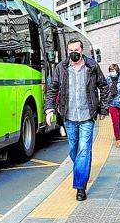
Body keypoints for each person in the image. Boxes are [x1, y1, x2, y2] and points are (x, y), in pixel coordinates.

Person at [44, 38, 109, 202]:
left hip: (87, 115)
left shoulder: (92, 66)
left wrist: (103, 108)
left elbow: (104, 86)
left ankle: (80, 187)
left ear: (82, 50)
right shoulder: (61, 68)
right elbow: (53, 89)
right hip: (69, 116)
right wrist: (49, 109)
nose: (73, 53)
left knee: (83, 150)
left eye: (76, 50)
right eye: (70, 50)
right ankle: (82, 169)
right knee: (74, 149)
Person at [106, 64, 120, 148]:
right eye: (110, 71)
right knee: (115, 122)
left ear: (117, 71)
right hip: (112, 103)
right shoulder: (108, 79)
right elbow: (105, 90)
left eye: (113, 70)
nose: (112, 72)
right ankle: (118, 139)